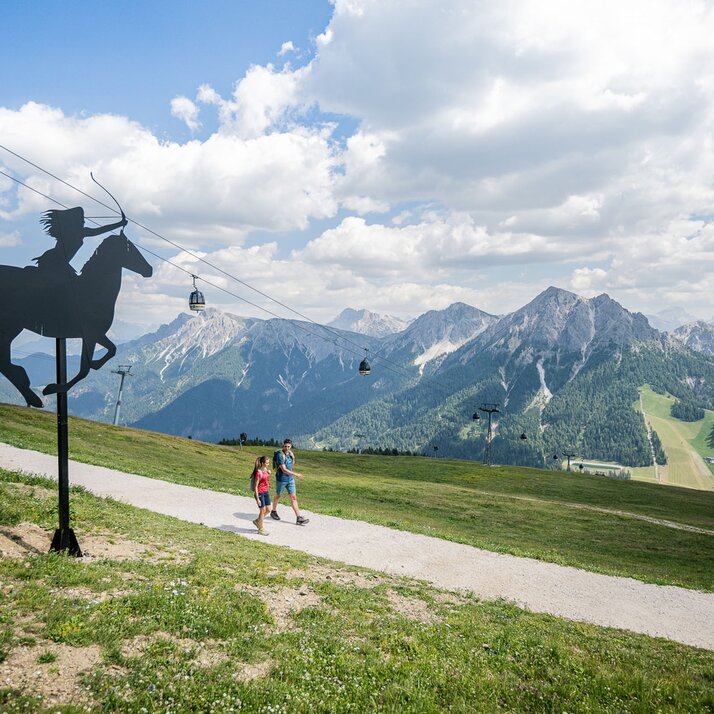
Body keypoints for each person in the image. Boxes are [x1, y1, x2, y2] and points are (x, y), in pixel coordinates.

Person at [34, 207, 128, 278]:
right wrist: (120, 223)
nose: (84, 221)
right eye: (82, 219)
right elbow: (98, 231)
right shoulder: (76, 232)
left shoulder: (80, 232)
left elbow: (99, 230)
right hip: (53, 260)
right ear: (76, 221)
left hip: (60, 262)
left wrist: (120, 223)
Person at [270, 438, 309, 525]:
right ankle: (273, 511)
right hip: (281, 479)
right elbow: (284, 470)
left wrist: (293, 457)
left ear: (291, 446)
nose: (287, 448)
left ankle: (299, 518)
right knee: (278, 495)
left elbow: (291, 465)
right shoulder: (280, 455)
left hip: (290, 480)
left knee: (293, 497)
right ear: (283, 445)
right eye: (285, 446)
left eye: (288, 446)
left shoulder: (290, 454)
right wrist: (296, 474)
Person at [252, 455, 271, 536]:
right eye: (267, 463)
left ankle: (257, 521)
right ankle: (261, 529)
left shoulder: (266, 470)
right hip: (259, 493)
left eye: (268, 463)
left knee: (268, 510)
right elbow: (255, 486)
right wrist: (258, 499)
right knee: (262, 510)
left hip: (266, 492)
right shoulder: (258, 473)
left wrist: (268, 472)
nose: (268, 464)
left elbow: (265, 478)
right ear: (263, 463)